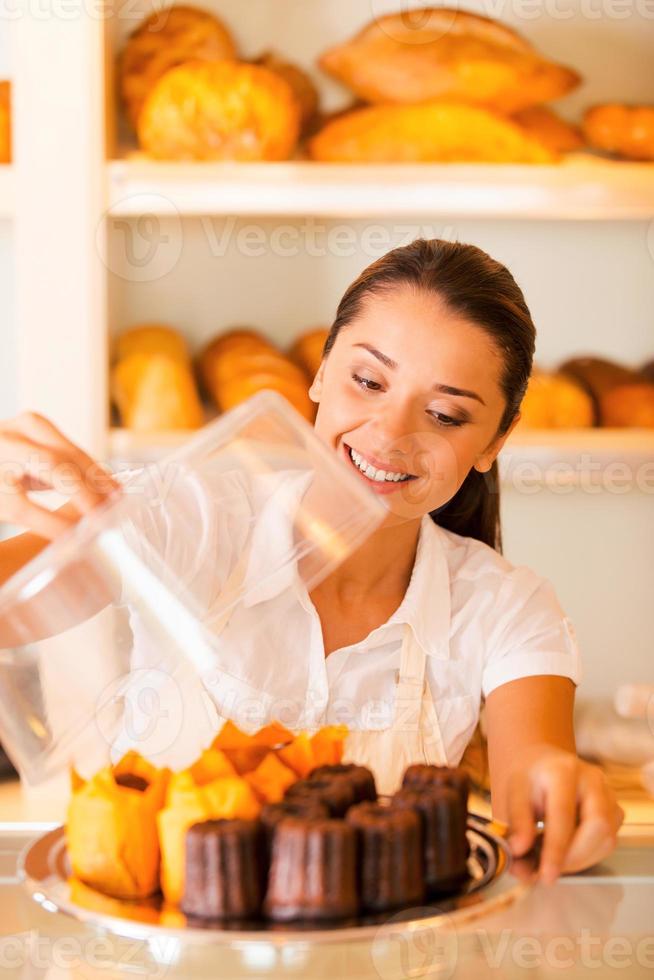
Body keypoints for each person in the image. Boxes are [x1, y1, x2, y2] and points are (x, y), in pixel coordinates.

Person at [0, 238, 623, 883]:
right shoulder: (189, 519)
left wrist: (560, 790)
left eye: (443, 414)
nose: (389, 431)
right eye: (368, 381)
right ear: (321, 373)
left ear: (496, 439)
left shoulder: (505, 608)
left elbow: (535, 775)